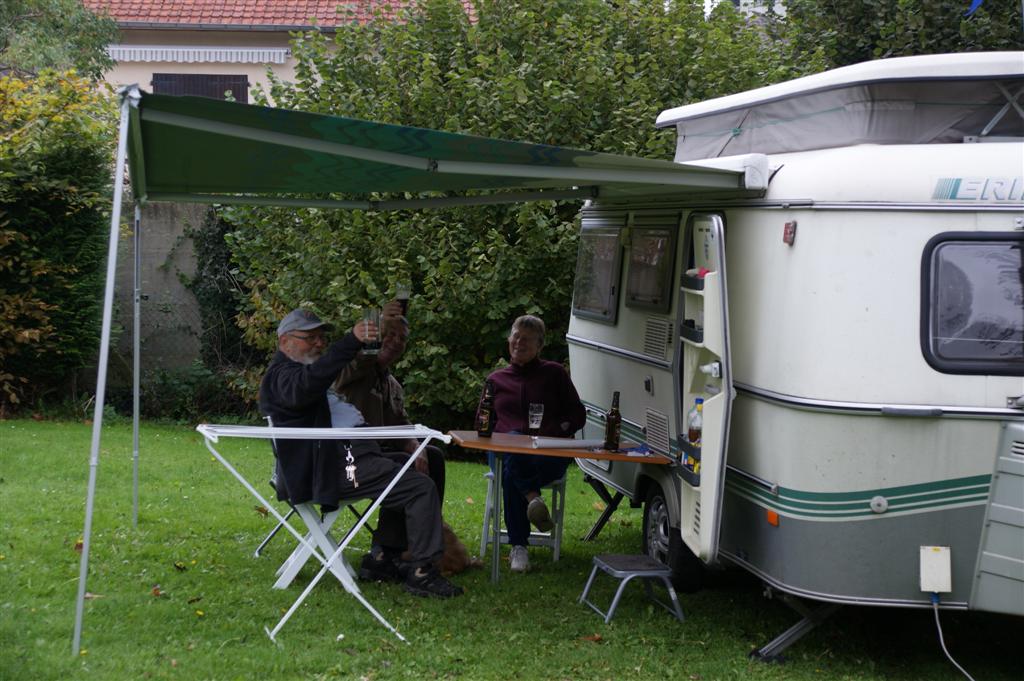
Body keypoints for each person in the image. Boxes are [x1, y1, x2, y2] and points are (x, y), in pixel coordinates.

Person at [259, 306, 462, 598]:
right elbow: (308, 385)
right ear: (284, 342)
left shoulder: (301, 371)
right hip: (333, 468)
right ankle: (422, 573)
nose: (318, 343)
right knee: (419, 487)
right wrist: (353, 340)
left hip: (348, 457)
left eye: (321, 338)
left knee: (416, 464)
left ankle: (386, 557)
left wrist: (408, 440)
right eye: (310, 337)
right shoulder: (283, 376)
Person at [483, 314, 586, 573]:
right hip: (505, 451)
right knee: (512, 449)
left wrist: (557, 430)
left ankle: (519, 547)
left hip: (546, 454)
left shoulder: (554, 374)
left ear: (539, 346)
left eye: (527, 339)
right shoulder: (496, 380)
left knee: (510, 473)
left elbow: (577, 415)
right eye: (516, 336)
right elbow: (482, 424)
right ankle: (533, 499)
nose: (519, 342)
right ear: (509, 340)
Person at [331, 315, 446, 502]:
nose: (396, 342)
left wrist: (416, 447)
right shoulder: (351, 370)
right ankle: (392, 532)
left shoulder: (392, 386)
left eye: (402, 338)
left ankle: (428, 521)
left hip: (375, 454)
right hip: (349, 460)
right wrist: (376, 324)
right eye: (389, 334)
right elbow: (364, 358)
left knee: (433, 456)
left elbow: (400, 424)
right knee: (406, 468)